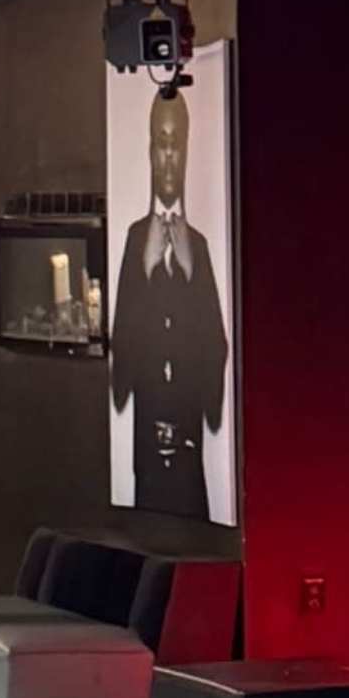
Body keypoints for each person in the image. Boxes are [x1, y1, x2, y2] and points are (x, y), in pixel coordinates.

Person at [108, 76, 229, 511]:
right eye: (162, 143)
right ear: (149, 152)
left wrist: (194, 275)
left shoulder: (198, 245)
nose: (170, 155)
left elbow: (217, 342)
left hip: (189, 435)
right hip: (146, 438)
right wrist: (144, 268)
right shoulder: (133, 240)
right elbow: (120, 338)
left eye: (178, 144)